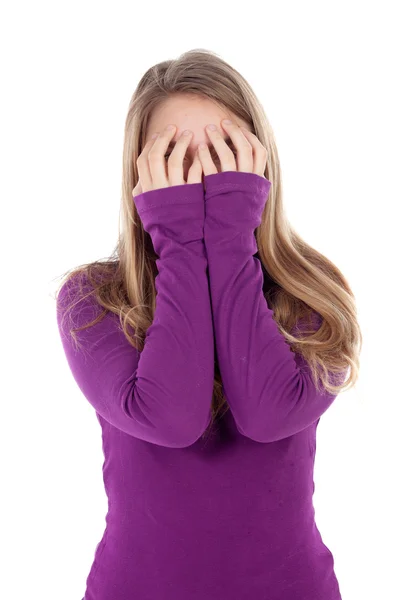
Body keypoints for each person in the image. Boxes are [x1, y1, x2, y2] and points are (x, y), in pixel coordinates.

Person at [56, 48, 361, 600]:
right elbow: (171, 418)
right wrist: (178, 238)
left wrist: (227, 235)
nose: (200, 177)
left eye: (224, 154)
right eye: (173, 156)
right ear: (140, 174)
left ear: (259, 165)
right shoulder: (92, 299)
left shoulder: (314, 293)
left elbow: (269, 414)